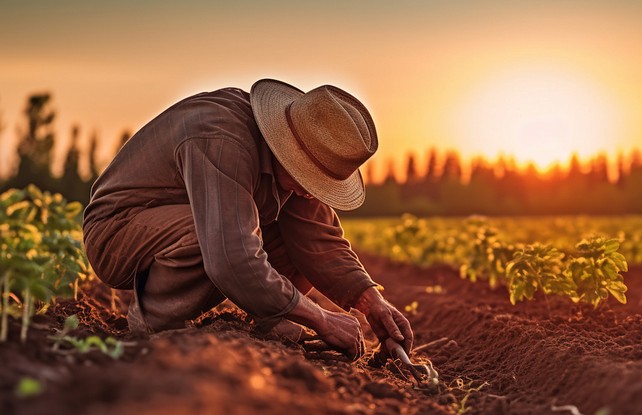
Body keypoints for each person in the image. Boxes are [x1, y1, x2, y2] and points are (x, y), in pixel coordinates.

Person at [82, 78, 413, 361]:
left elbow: (319, 241)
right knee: (215, 232)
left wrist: (372, 302)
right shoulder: (222, 139)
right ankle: (155, 330)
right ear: (289, 151)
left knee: (291, 238)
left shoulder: (294, 163)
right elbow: (231, 256)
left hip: (183, 224)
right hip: (118, 231)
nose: (313, 193)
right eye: (312, 180)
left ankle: (273, 323)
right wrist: (320, 317)